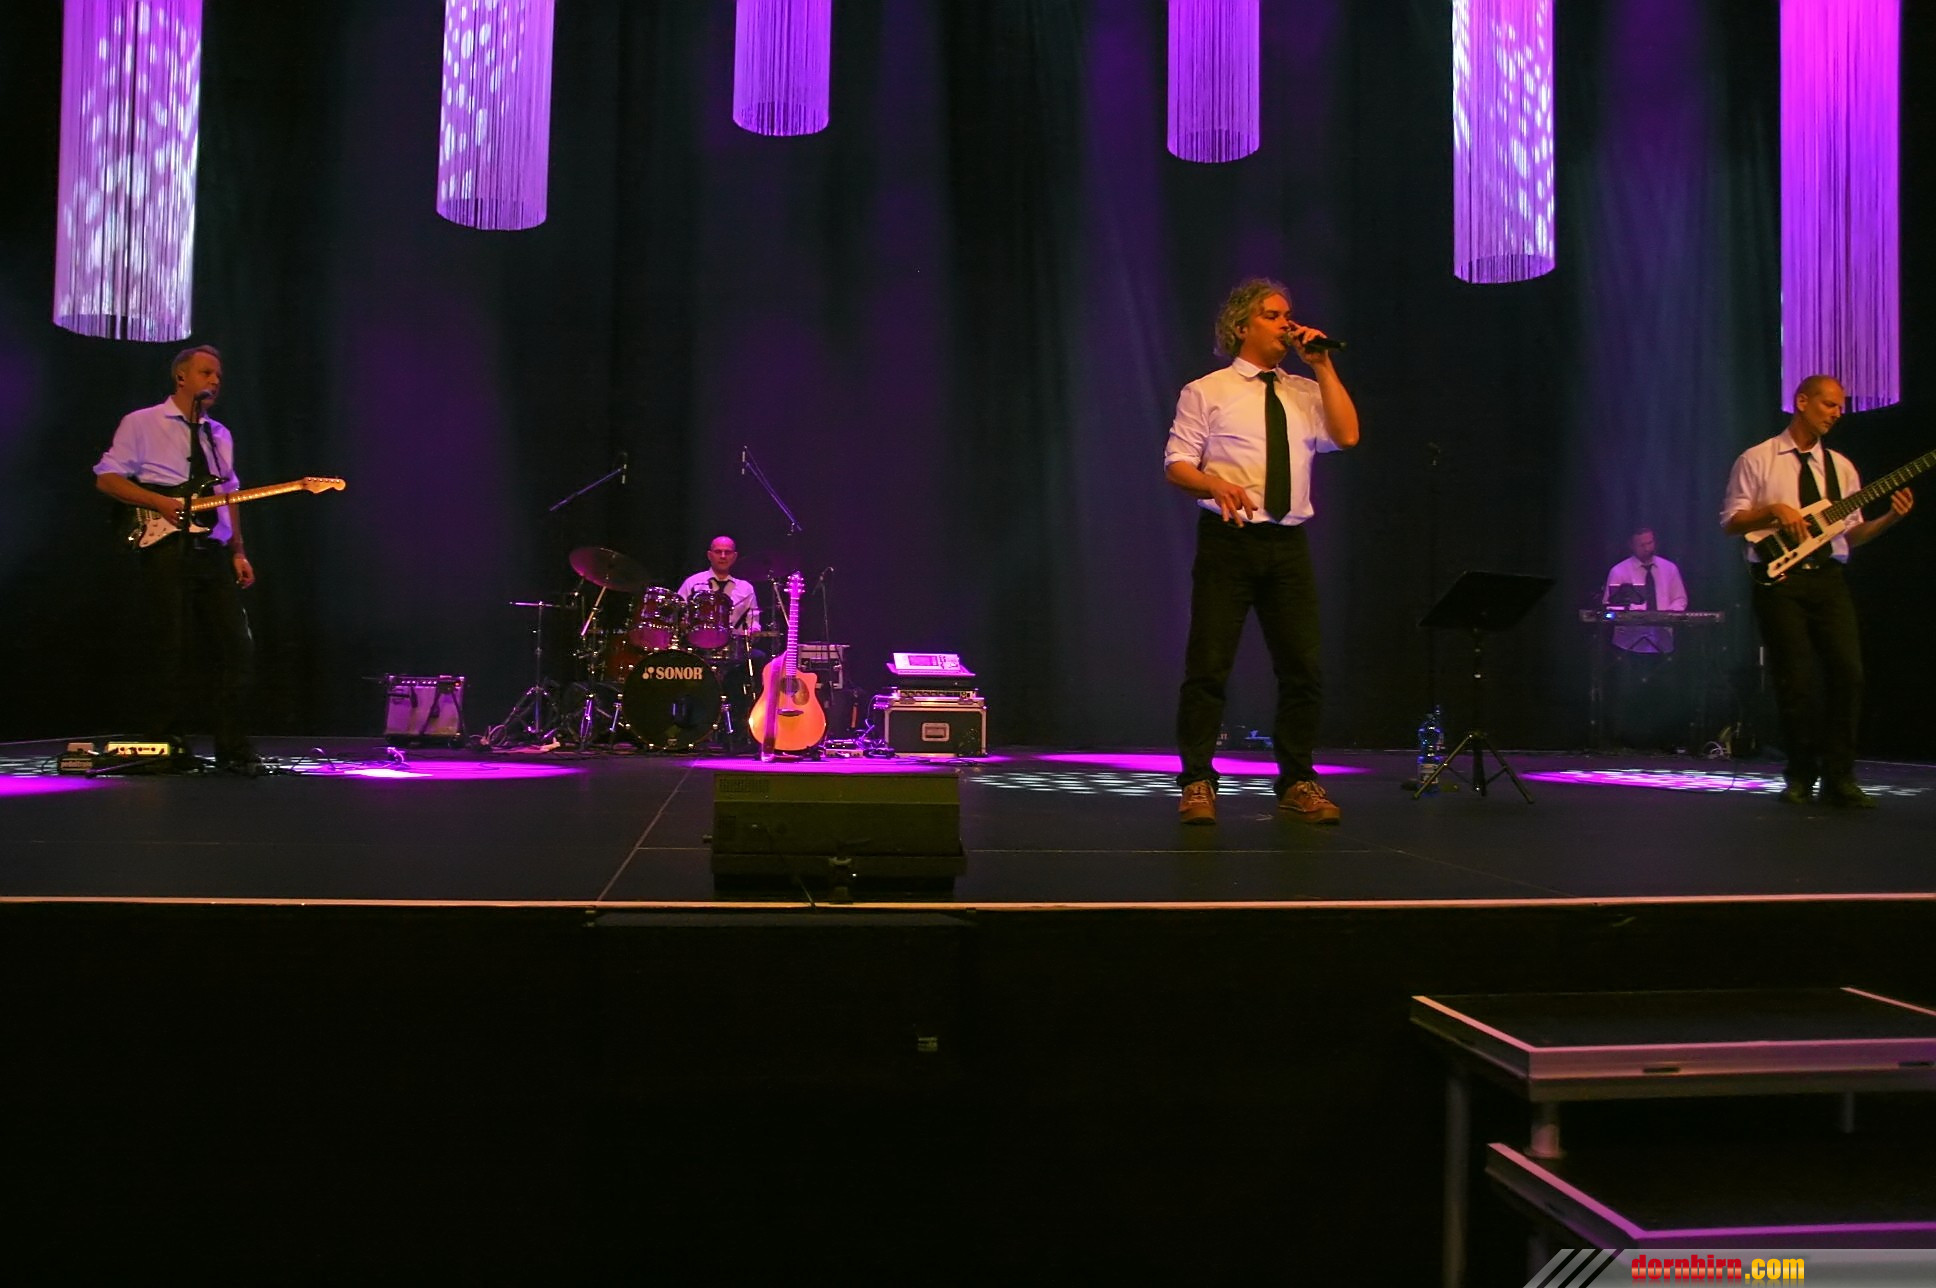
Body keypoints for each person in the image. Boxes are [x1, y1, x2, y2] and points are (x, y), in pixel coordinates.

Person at [1163, 277, 1360, 825]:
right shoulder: (1207, 391)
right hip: (1229, 539)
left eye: (1288, 315)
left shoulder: (1304, 390)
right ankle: (1197, 781)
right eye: (1273, 315)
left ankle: (1297, 781)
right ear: (1241, 326)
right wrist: (1213, 483)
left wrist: (1323, 366)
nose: (1286, 324)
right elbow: (1177, 464)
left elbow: (1347, 436)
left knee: (1302, 669)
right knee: (1209, 666)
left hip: (1287, 543)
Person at [1720, 374, 1914, 807]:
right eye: (1829, 404)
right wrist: (1773, 510)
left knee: (1849, 673)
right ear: (1802, 402)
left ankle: (1840, 776)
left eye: (1840, 407)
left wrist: (1890, 519)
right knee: (1796, 680)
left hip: (1828, 578)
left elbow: (1851, 535)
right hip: (1781, 580)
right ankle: (1801, 774)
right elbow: (1731, 522)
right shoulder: (1758, 459)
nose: (1837, 414)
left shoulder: (1841, 468)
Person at [92, 345, 260, 773]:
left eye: (218, 375)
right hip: (166, 544)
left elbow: (230, 494)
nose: (215, 380)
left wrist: (238, 550)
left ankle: (233, 748)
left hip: (212, 549)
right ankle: (166, 743)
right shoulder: (142, 422)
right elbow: (107, 478)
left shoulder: (219, 435)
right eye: (206, 372)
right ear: (181, 377)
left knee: (236, 646)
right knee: (171, 644)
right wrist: (159, 502)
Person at [1601, 527, 1689, 749]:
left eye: (1650, 543)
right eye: (1642, 545)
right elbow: (1610, 606)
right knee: (1629, 692)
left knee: (1662, 693)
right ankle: (1626, 741)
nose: (1648, 548)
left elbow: (1680, 599)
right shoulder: (1619, 571)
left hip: (1662, 641)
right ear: (1632, 546)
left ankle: (1662, 741)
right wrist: (1632, 612)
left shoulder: (1669, 569)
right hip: (1629, 644)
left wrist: (1666, 615)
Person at [675, 535, 760, 631]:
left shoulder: (746, 588)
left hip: (735, 640)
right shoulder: (692, 583)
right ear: (709, 555)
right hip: (697, 639)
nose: (723, 556)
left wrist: (754, 630)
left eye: (727, 552)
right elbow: (678, 613)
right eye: (718, 552)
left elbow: (753, 621)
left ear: (734, 556)